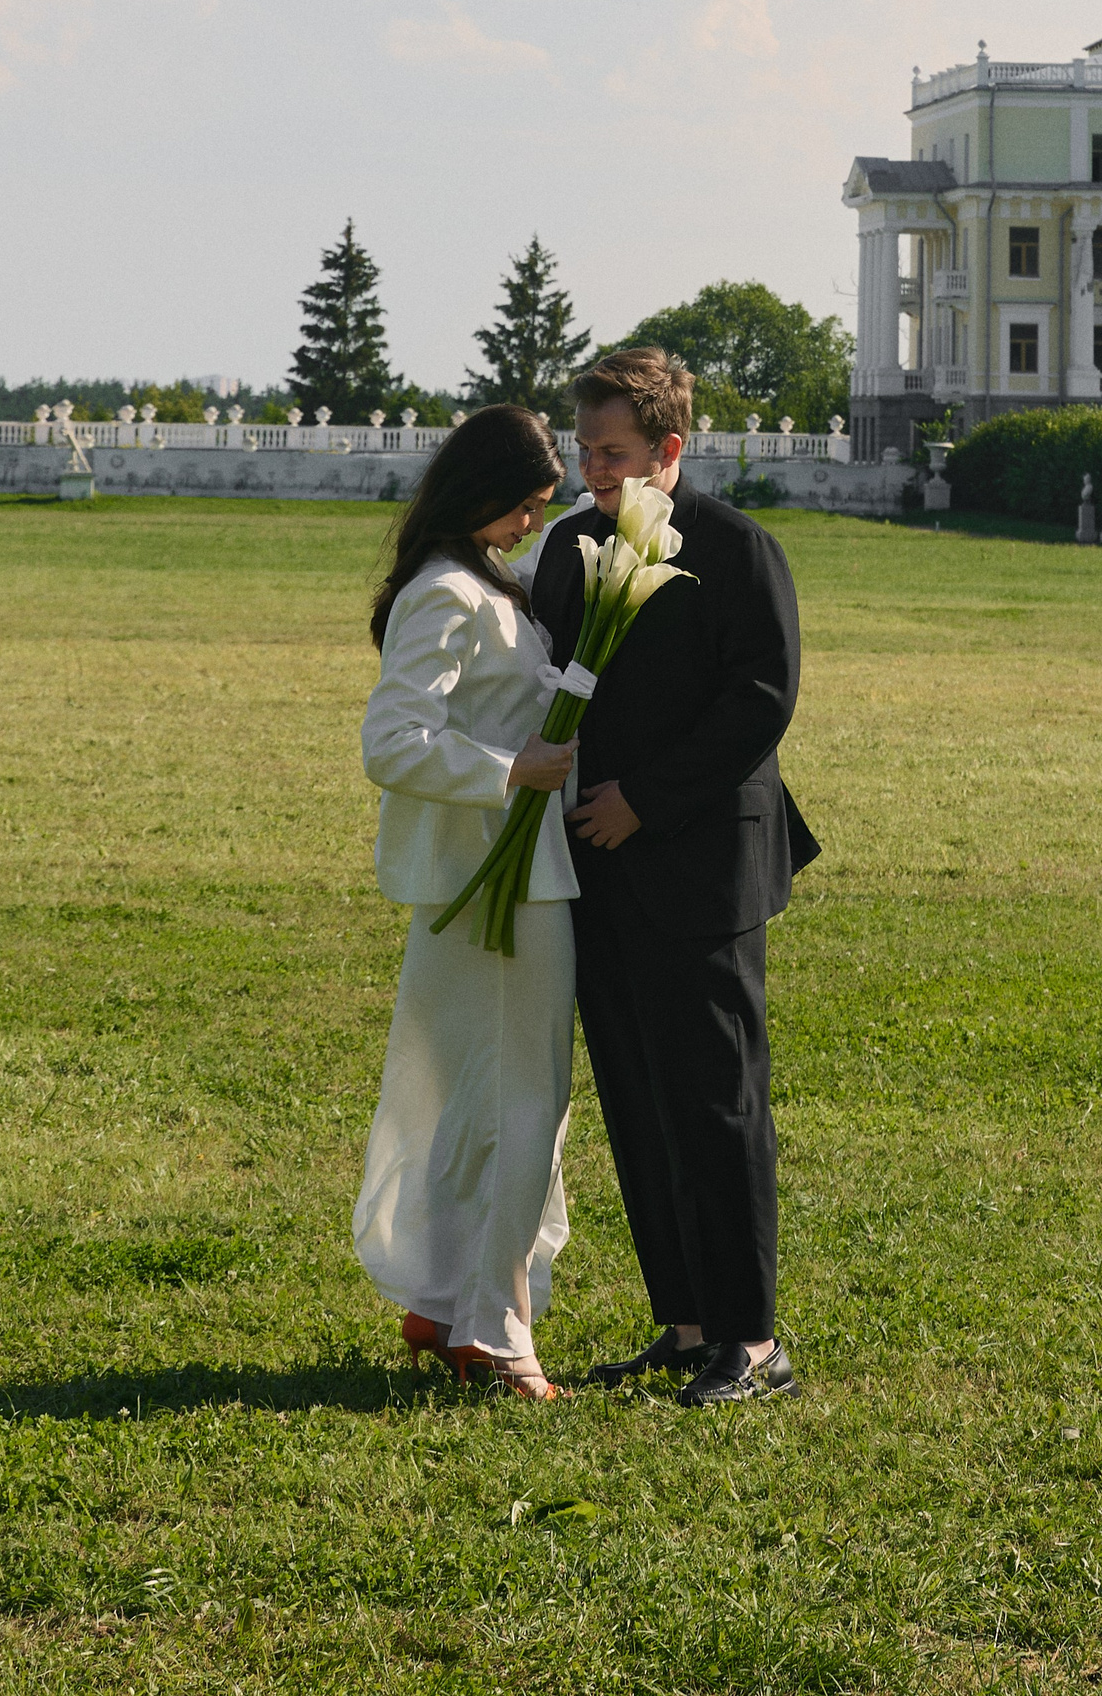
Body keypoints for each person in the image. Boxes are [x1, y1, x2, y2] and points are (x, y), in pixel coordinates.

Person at [529, 347, 819, 1407]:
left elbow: (761, 699)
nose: (592, 470)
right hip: (596, 869)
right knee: (639, 1101)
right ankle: (687, 1326)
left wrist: (644, 800)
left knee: (715, 1103)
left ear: (669, 448)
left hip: (702, 872)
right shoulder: (570, 550)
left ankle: (753, 1342)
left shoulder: (738, 549)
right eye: (584, 451)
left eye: (611, 453)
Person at [354, 405, 579, 1400]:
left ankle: (450, 1302)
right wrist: (512, 770)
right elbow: (392, 741)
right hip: (496, 882)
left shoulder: (489, 580)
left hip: (516, 873)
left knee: (492, 1100)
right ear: (480, 491)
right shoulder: (447, 590)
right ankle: (490, 1327)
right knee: (521, 1101)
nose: (534, 523)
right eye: (525, 504)